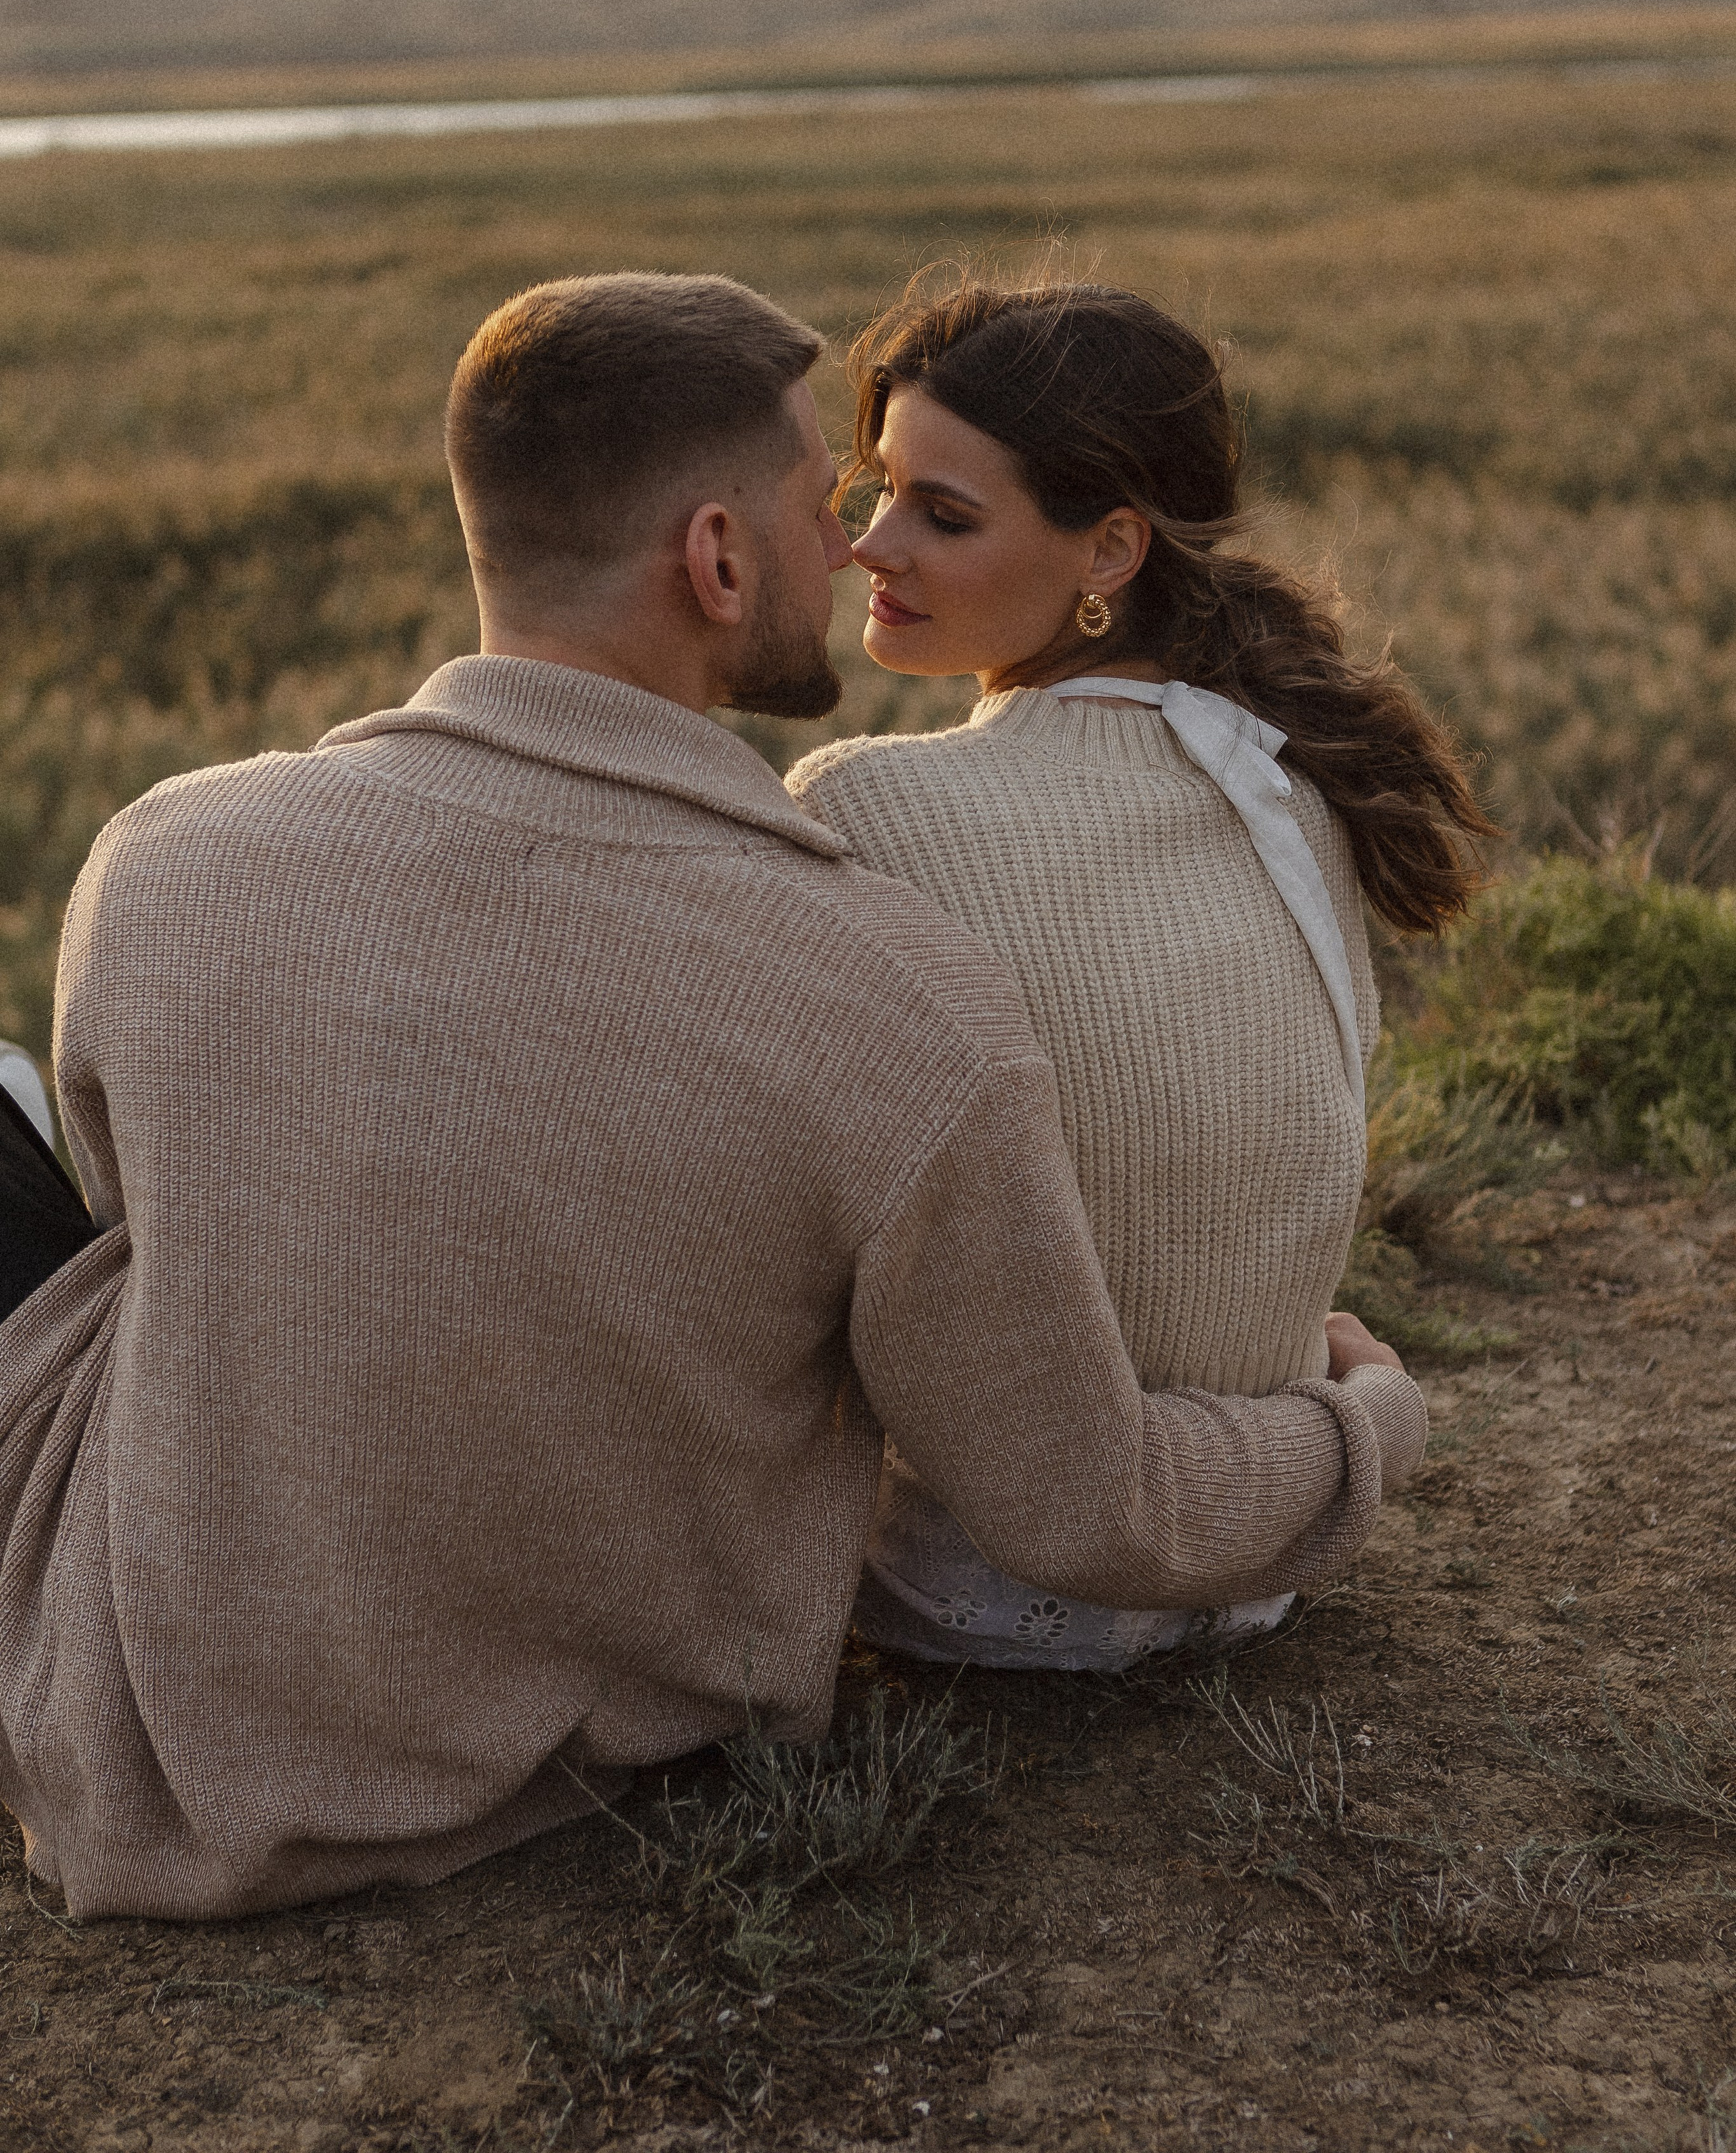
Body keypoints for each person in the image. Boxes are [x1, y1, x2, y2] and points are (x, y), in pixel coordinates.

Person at [0, 273, 1423, 1923]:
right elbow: (1081, 1501)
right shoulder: (875, 982)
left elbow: (144, 1243)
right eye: (829, 506)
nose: (855, 551)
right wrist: (1360, 1432)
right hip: (592, 1747)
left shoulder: (158, 855)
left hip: (133, 1700)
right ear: (718, 559)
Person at [787, 275, 1488, 1672]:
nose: (868, 547)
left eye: (941, 512)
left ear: (1107, 551)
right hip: (1263, 1562)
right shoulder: (1287, 785)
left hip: (963, 1594)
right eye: (874, 492)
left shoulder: (868, 805)